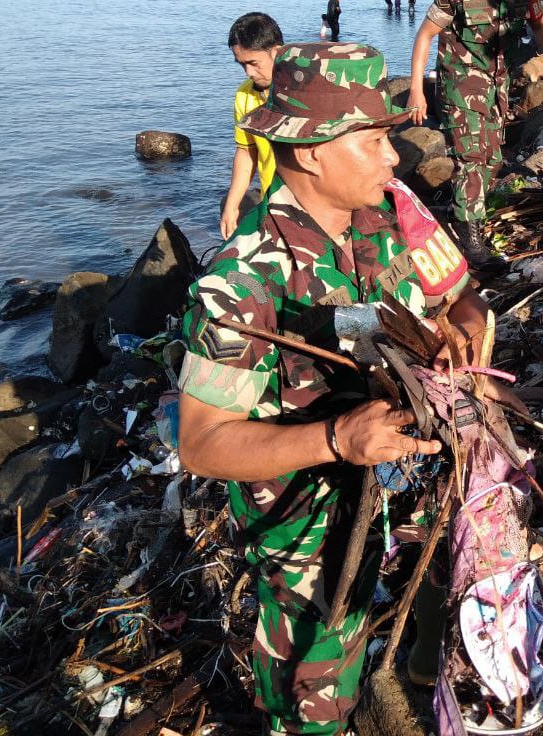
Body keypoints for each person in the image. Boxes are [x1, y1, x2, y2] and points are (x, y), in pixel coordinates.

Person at [177, 41, 490, 736]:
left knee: (442, 573)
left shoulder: (391, 213)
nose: (393, 159)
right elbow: (201, 445)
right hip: (308, 525)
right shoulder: (242, 282)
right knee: (314, 690)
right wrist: (335, 440)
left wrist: (462, 331)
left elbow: (462, 295)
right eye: (374, 141)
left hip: (408, 478)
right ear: (312, 150)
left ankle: (416, 666)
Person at [407, 0, 543, 270]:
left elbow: (539, 24)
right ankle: (470, 239)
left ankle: (465, 213)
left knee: (492, 157)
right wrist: (416, 91)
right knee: (472, 156)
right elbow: (423, 36)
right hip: (460, 82)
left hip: (498, 81)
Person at [221, 13, 283, 238]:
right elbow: (247, 151)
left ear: (276, 52)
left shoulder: (305, 91)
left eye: (253, 63)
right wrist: (232, 204)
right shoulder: (244, 96)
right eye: (242, 64)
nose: (248, 73)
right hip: (272, 202)